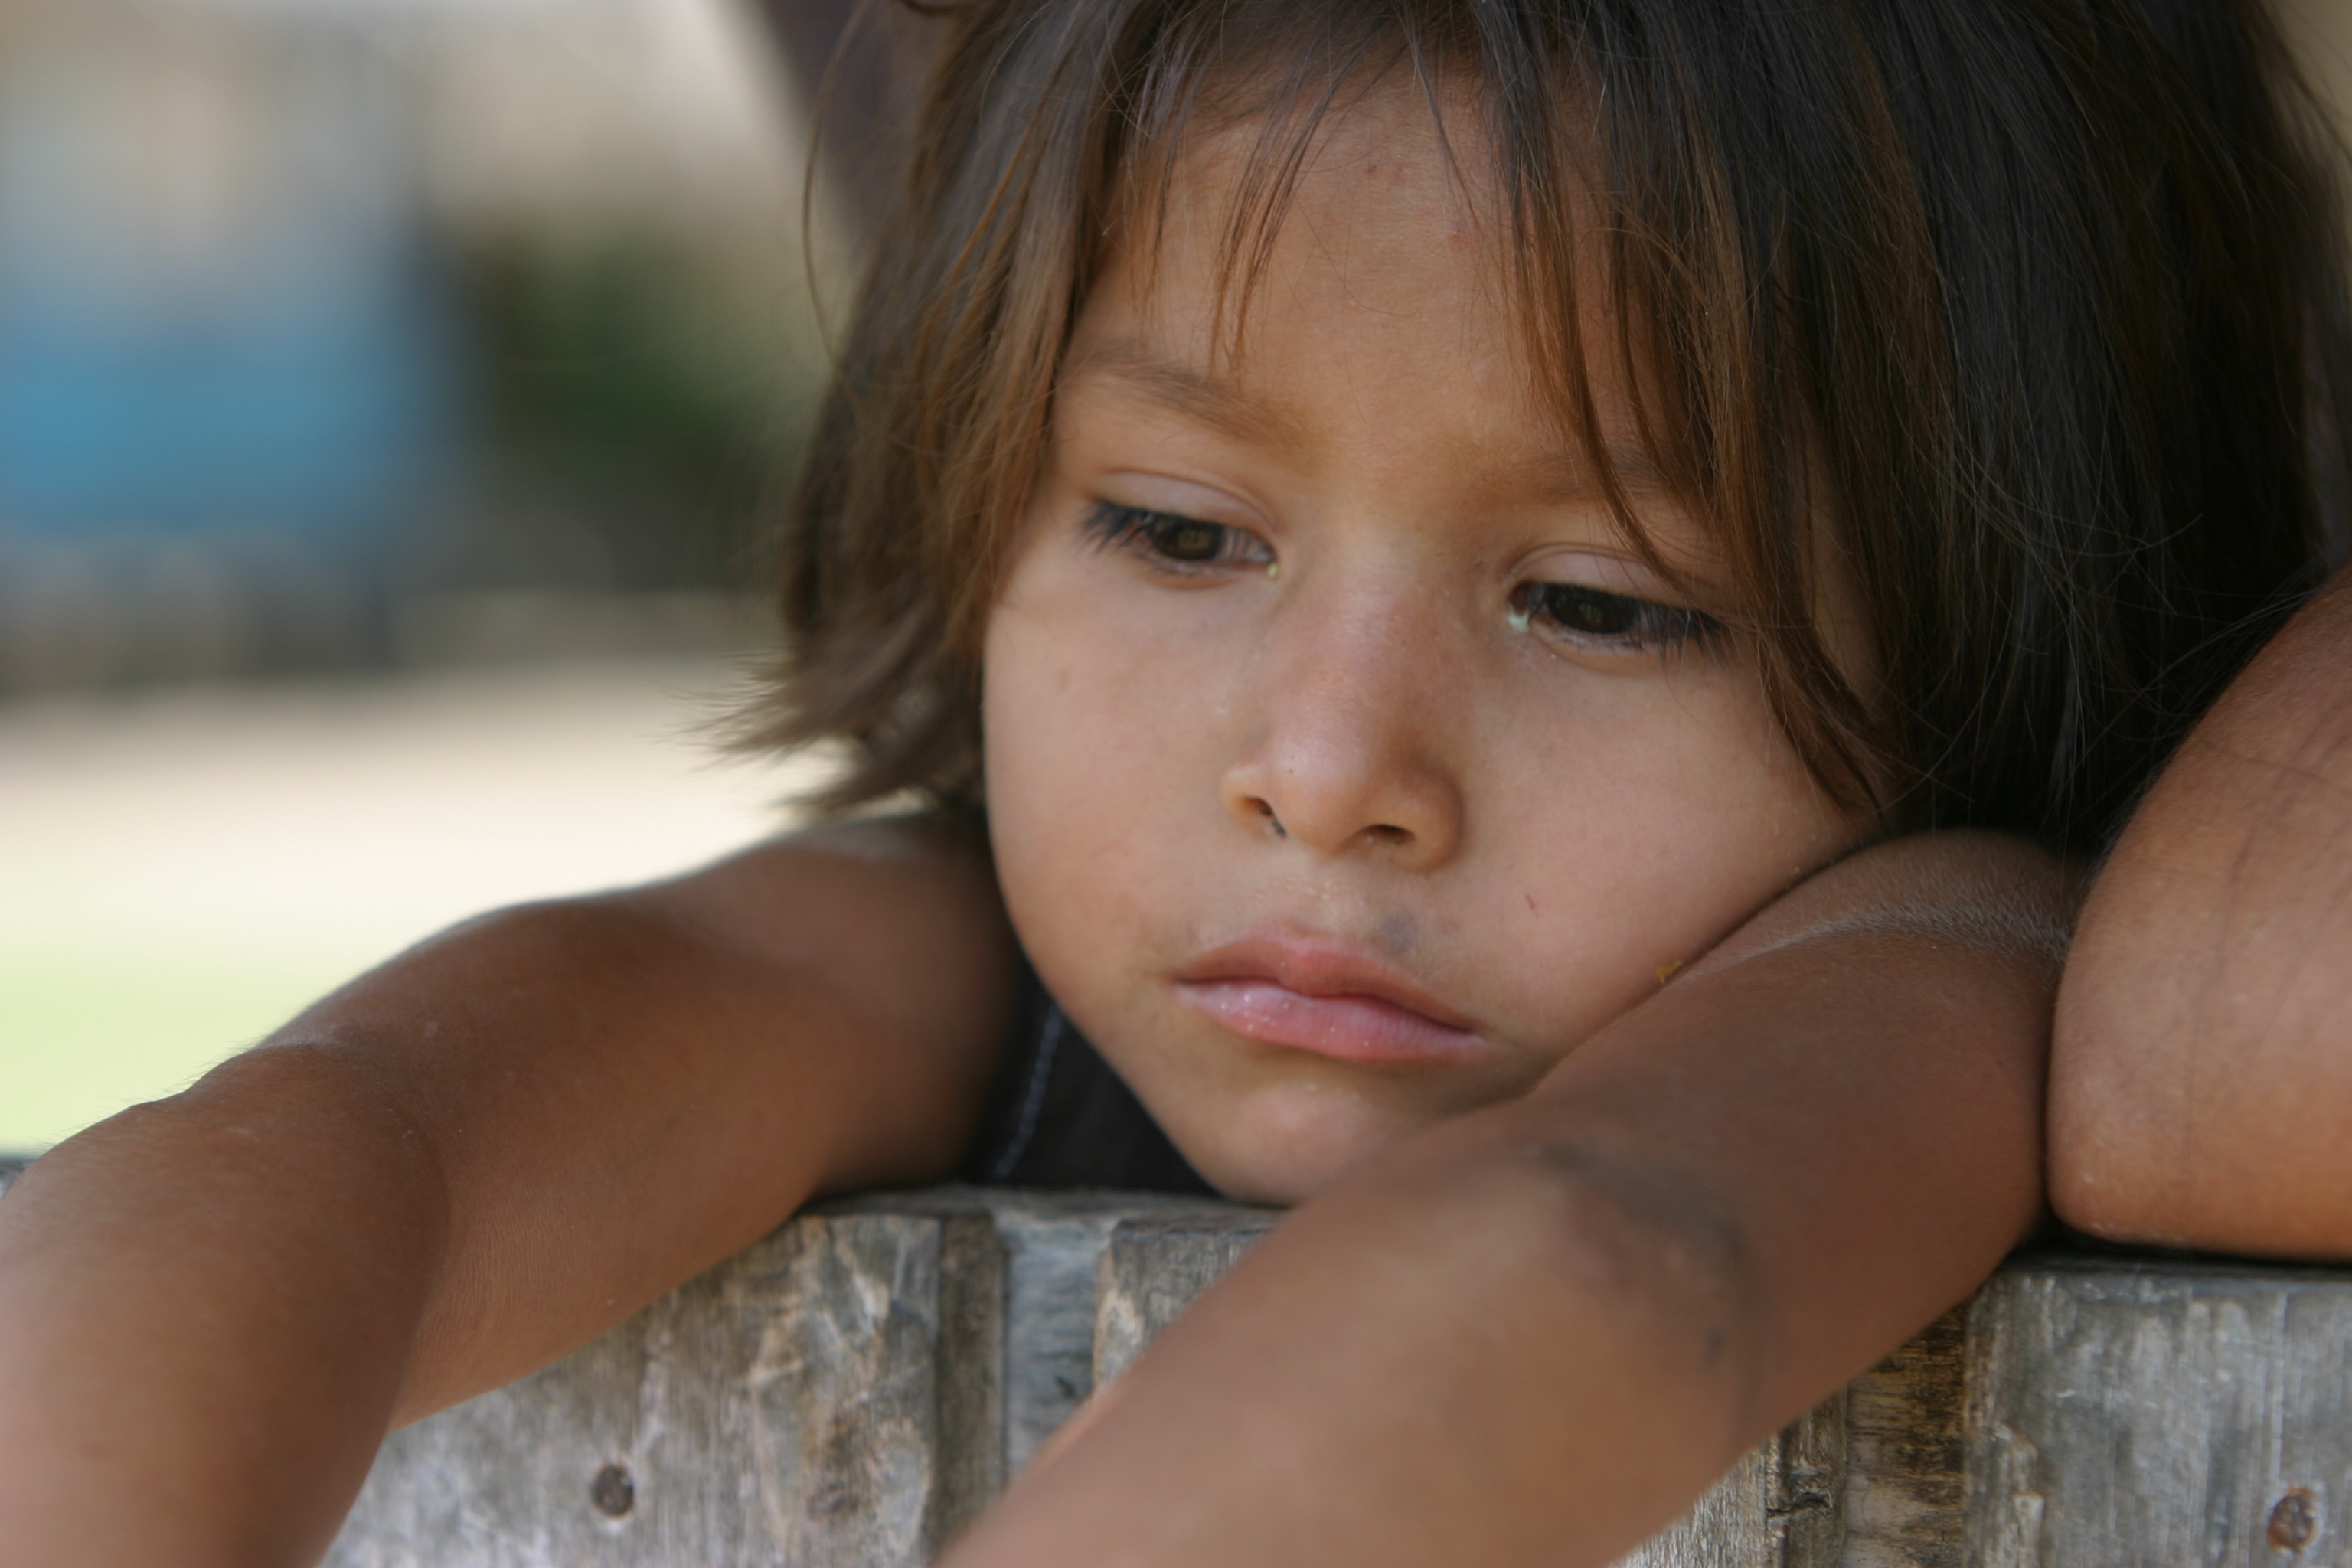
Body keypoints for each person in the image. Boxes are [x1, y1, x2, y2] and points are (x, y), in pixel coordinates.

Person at [0, 1, 2342, 1564]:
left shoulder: (1954, 969)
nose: (1328, 777)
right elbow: (336, 1150)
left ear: (2003, 609)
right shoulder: (947, 947)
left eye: (1608, 604)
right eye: (1177, 531)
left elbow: (1588, 1249)